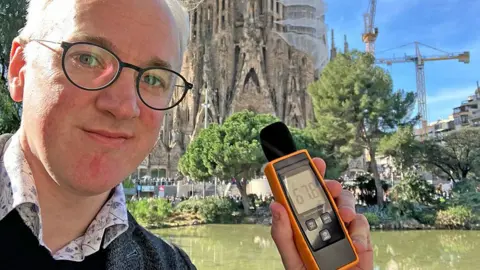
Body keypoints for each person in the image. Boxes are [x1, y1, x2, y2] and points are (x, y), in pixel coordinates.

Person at [0, 0, 372, 269]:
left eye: (154, 79)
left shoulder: (170, 264)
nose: (122, 104)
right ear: (18, 69)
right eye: (89, 58)